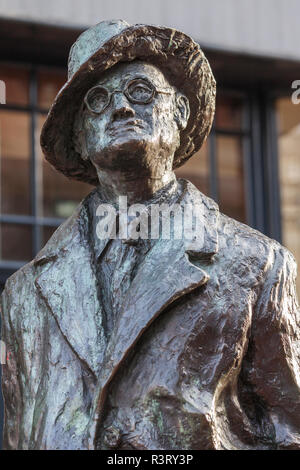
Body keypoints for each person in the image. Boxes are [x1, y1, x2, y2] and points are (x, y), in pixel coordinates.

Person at [1, 20, 300, 450]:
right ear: (80, 136)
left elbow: (289, 432)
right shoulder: (23, 294)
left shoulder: (258, 265)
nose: (121, 108)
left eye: (140, 91)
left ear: (179, 112)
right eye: (97, 101)